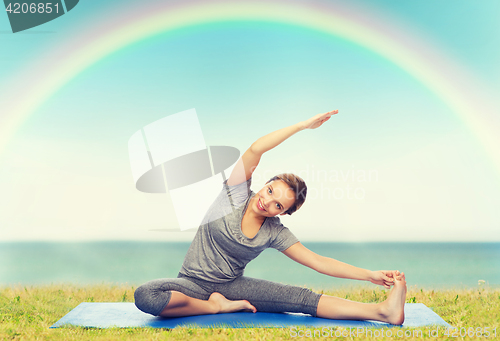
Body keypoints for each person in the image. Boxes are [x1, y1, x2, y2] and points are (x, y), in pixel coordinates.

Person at [134, 110, 407, 325]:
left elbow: (318, 261)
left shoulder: (274, 232)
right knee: (146, 296)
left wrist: (369, 275)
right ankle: (214, 306)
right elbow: (255, 149)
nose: (267, 202)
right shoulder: (234, 194)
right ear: (265, 182)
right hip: (190, 283)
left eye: (278, 205)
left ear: (283, 213)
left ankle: (383, 312)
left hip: (233, 286)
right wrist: (301, 126)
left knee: (300, 299)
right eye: (270, 191)